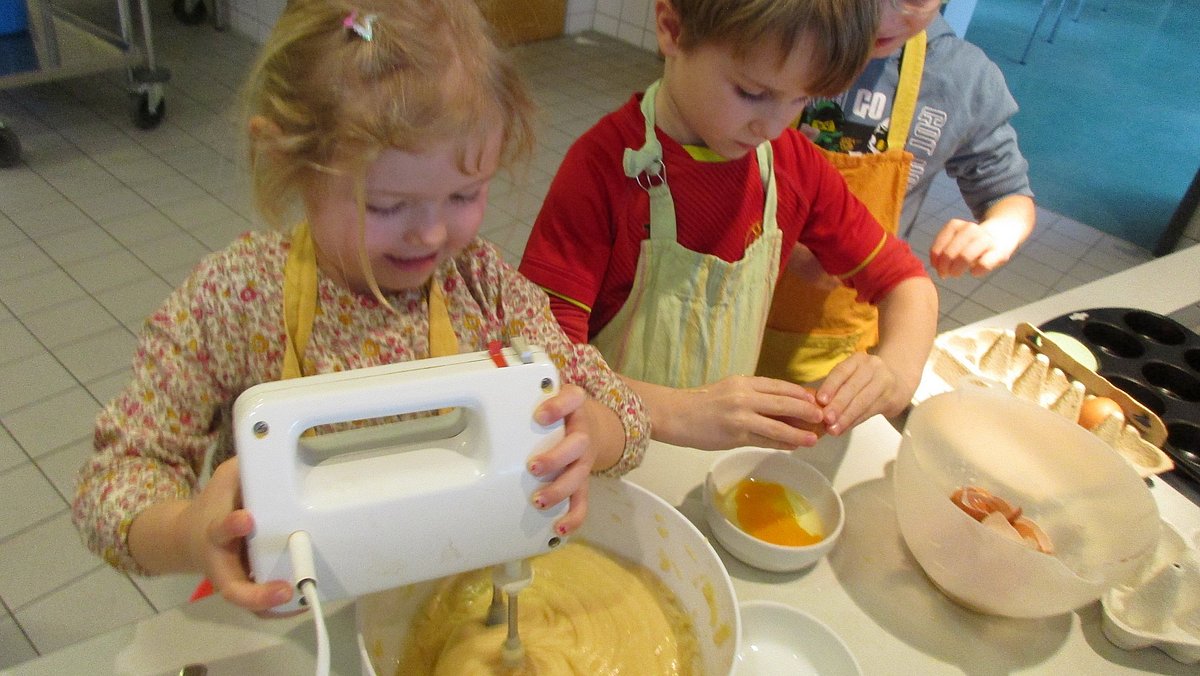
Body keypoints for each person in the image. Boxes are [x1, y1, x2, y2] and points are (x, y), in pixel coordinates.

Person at [71, 0, 649, 615]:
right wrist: (191, 532)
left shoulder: (484, 288)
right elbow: (112, 488)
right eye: (386, 206)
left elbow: (623, 412)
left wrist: (592, 434)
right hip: (292, 614)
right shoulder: (232, 300)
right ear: (287, 159)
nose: (430, 236)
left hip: (446, 592)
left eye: (464, 194)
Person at [518, 0, 938, 452]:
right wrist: (677, 411)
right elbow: (542, 365)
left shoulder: (794, 167)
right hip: (596, 454)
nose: (774, 125)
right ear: (672, 28)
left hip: (714, 465)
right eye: (751, 93)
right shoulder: (603, 168)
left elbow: (906, 282)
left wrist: (895, 370)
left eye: (801, 98)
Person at [757, 0, 1036, 385]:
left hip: (837, 343)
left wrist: (998, 231)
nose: (880, 17)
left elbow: (1010, 195)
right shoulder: (768, 24)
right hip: (721, 303)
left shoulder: (960, 77)